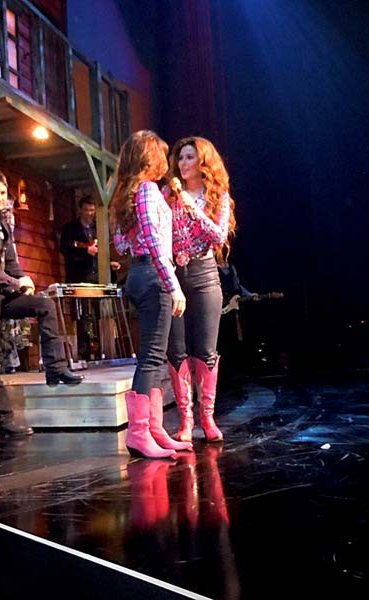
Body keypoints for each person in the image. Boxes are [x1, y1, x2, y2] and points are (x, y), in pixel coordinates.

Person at [0, 170, 83, 436]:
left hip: (1, 294)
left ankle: (55, 368)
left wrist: (24, 279)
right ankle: (2, 420)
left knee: (44, 305)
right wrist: (16, 284)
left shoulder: (2, 224)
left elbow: (11, 263)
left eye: (3, 193)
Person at [111, 130, 193, 458]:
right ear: (150, 158)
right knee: (150, 358)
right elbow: (155, 243)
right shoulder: (146, 190)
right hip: (153, 275)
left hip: (139, 273)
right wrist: (173, 285)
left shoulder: (128, 194)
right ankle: (139, 433)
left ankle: (154, 429)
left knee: (154, 357)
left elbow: (121, 244)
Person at [164, 136, 236, 443]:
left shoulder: (217, 196)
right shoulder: (167, 195)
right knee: (177, 349)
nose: (183, 163)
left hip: (205, 273)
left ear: (203, 161)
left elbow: (218, 235)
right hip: (173, 275)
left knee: (205, 350)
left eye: (189, 157)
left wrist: (190, 205)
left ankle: (207, 418)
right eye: (180, 158)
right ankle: (186, 420)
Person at [59, 196, 121, 360]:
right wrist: (85, 251)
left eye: (92, 210)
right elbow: (65, 249)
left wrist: (109, 264)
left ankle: (104, 352)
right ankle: (83, 352)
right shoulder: (71, 229)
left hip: (97, 277)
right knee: (82, 316)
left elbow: (100, 252)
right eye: (87, 210)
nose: (90, 213)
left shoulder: (97, 229)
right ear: (80, 210)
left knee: (100, 314)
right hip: (79, 277)